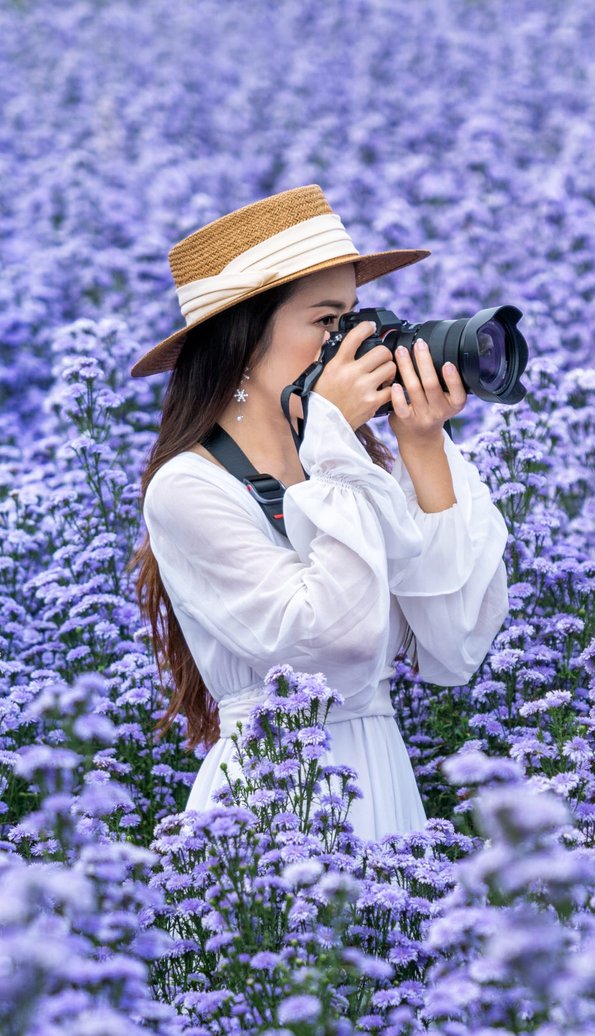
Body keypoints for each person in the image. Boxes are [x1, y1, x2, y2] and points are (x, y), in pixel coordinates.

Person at [128, 184, 510, 842]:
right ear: (245, 340)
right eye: (327, 322)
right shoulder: (188, 488)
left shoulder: (356, 470)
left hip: (381, 787)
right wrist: (333, 443)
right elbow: (337, 643)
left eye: (357, 319)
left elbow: (453, 649)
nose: (352, 344)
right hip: (270, 810)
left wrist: (420, 445)